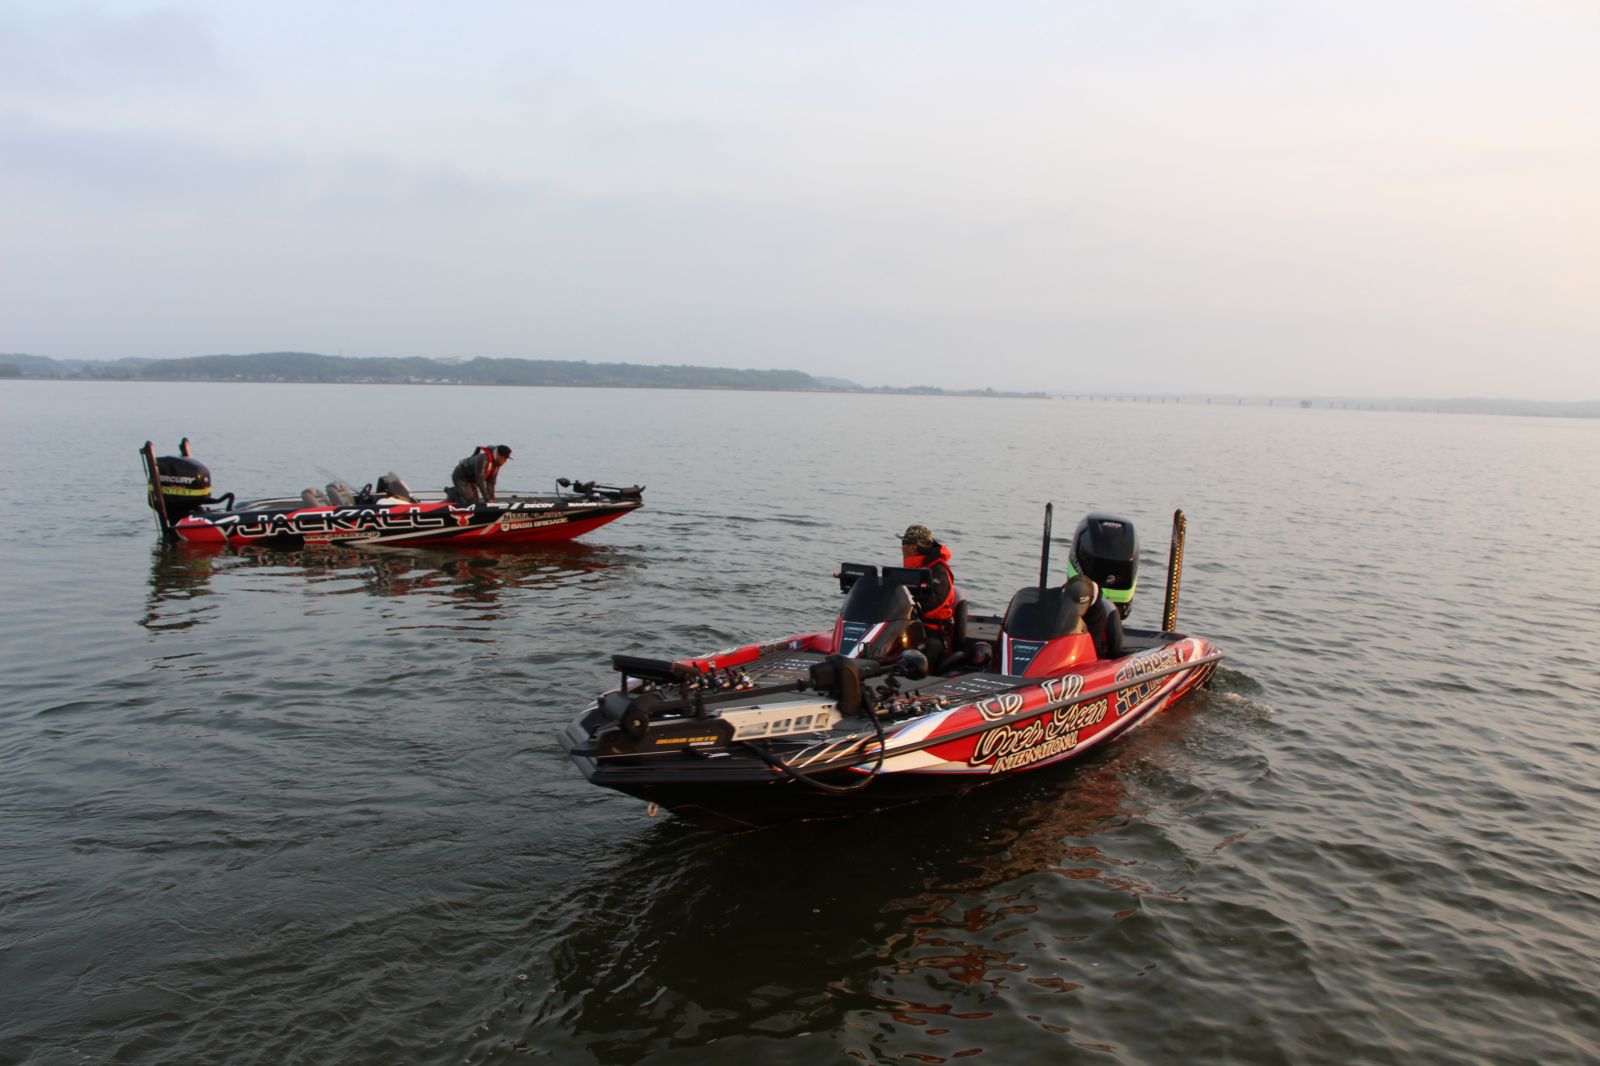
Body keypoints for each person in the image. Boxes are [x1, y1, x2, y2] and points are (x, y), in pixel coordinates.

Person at [899, 524, 959, 642]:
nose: (901, 548)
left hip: (933, 632)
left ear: (913, 548)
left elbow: (934, 604)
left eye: (903, 544)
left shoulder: (939, 571)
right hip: (907, 626)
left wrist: (909, 609)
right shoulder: (912, 568)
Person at [1066, 574, 1124, 660]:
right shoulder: (1055, 599)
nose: (1077, 609)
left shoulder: (1098, 613)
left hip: (1088, 651)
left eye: (1080, 606)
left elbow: (1092, 646)